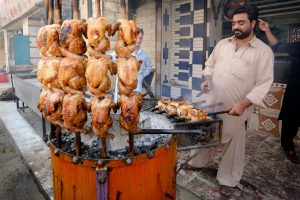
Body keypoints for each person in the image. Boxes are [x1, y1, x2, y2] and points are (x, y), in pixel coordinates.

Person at [188, 4, 274, 188]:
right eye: (234, 23)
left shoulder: (263, 52)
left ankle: (227, 179)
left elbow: (263, 84)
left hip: (235, 109)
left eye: (241, 23)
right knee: (204, 134)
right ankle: (197, 162)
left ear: (253, 23)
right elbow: (209, 65)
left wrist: (244, 103)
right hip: (211, 103)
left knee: (233, 145)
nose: (236, 26)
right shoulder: (222, 44)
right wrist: (207, 79)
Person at [259, 19, 300, 164]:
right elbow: (276, 45)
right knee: (291, 119)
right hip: (297, 88)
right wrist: (267, 30)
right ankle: (288, 147)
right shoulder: (297, 43)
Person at [113, 29, 153, 102]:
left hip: (137, 87)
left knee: (135, 108)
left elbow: (149, 66)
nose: (138, 40)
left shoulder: (144, 55)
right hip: (123, 86)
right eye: (137, 37)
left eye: (140, 38)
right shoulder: (125, 50)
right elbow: (112, 57)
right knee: (123, 107)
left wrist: (143, 75)